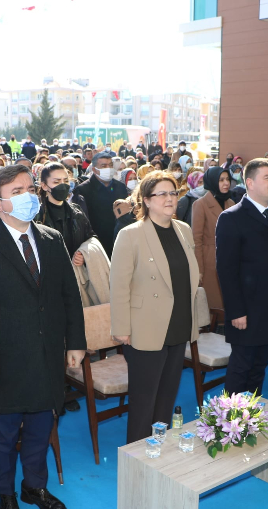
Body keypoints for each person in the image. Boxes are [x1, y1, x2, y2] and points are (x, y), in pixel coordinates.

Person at [0, 164, 86, 509]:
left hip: (46, 358)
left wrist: (75, 343)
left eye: (31, 188)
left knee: (43, 428)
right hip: (4, 362)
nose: (29, 196)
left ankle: (34, 488)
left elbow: (69, 297)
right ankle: (6, 495)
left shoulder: (51, 238)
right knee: (4, 435)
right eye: (18, 191)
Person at [110, 171, 199, 443]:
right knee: (143, 400)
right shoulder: (130, 235)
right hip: (145, 328)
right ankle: (137, 456)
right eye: (162, 194)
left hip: (179, 323)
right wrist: (121, 329)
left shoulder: (183, 229)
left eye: (174, 193)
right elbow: (119, 286)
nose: (170, 199)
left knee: (167, 396)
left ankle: (160, 449)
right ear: (147, 200)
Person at [216, 158, 268, 397]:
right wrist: (236, 310)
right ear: (249, 182)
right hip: (247, 307)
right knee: (242, 365)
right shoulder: (232, 217)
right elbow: (226, 270)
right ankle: (230, 423)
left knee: (260, 365)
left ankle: (250, 419)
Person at [72, 151, 129, 258]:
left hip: (120, 241)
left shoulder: (120, 187)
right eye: (103, 166)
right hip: (96, 245)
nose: (108, 168)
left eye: (110, 165)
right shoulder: (83, 190)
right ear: (94, 169)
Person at [192, 167, 234, 310]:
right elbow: (196, 240)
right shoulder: (200, 204)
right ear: (212, 182)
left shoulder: (231, 203)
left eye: (227, 179)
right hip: (210, 259)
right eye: (221, 180)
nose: (226, 183)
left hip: (230, 257)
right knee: (213, 304)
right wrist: (199, 269)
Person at [36, 162, 94, 264]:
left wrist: (84, 254)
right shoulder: (37, 217)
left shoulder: (77, 211)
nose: (62, 185)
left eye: (66, 181)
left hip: (76, 274)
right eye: (56, 182)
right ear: (44, 186)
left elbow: (91, 237)